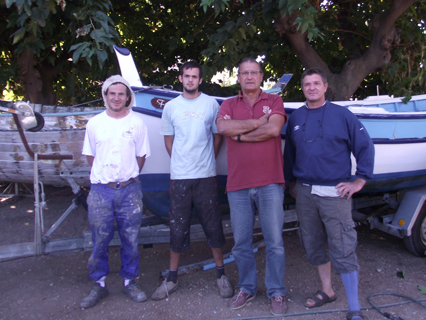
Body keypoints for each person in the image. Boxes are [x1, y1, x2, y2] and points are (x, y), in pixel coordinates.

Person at [283, 68, 374, 320]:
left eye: (316, 83)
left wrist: (360, 180)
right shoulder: (296, 118)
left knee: (343, 246)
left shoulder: (342, 115)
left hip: (335, 192)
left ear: (325, 87)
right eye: (306, 84)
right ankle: (327, 290)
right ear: (302, 88)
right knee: (313, 244)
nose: (311, 87)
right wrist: (291, 181)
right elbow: (289, 154)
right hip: (305, 192)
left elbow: (365, 146)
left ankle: (354, 307)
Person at [151, 61, 233, 300]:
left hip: (206, 176)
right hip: (180, 178)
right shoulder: (171, 107)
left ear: (200, 80)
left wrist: (207, 160)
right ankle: (172, 279)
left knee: (213, 225)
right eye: (186, 76)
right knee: (177, 227)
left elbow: (218, 138)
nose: (190, 80)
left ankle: (221, 275)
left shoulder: (210, 104)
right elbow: (169, 140)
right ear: (180, 78)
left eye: (194, 77)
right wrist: (180, 161)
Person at [216, 58, 288, 315]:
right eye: (244, 73)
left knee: (275, 242)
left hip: (270, 182)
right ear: (238, 77)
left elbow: (274, 129)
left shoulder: (274, 101)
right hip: (237, 185)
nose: (249, 77)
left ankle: (277, 292)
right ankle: (246, 287)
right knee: (241, 243)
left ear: (261, 76)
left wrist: (239, 135)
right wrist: (259, 122)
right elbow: (223, 127)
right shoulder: (227, 104)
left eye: (253, 73)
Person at [80, 75, 151, 308]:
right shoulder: (94, 124)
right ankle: (98, 284)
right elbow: (91, 156)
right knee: (99, 239)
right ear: (106, 95)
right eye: (112, 93)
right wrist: (107, 178)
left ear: (127, 96)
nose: (117, 97)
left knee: (130, 238)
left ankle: (130, 281)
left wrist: (126, 177)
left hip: (130, 190)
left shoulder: (137, 123)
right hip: (101, 190)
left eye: (121, 93)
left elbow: (141, 156)